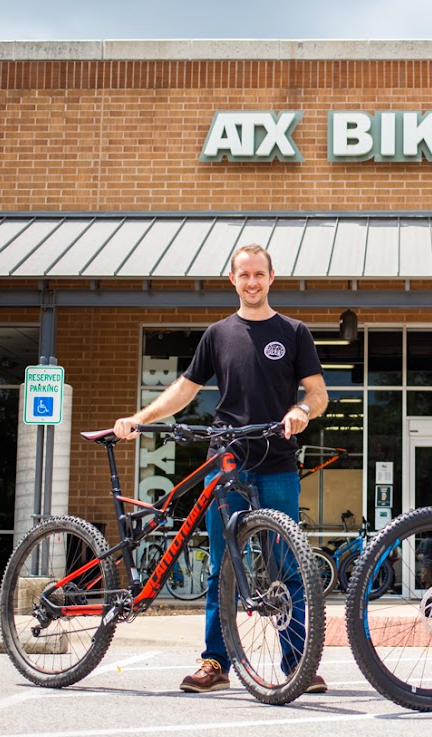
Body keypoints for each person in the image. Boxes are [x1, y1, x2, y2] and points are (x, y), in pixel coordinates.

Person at [113, 243, 330, 694]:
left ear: (272, 278)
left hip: (277, 463)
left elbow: (318, 392)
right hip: (225, 461)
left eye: (259, 274)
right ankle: (216, 662)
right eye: (244, 275)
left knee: (286, 564)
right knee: (220, 567)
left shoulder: (293, 332)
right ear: (232, 279)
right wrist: (140, 417)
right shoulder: (217, 334)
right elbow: (184, 390)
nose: (252, 282)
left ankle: (296, 662)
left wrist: (301, 412)